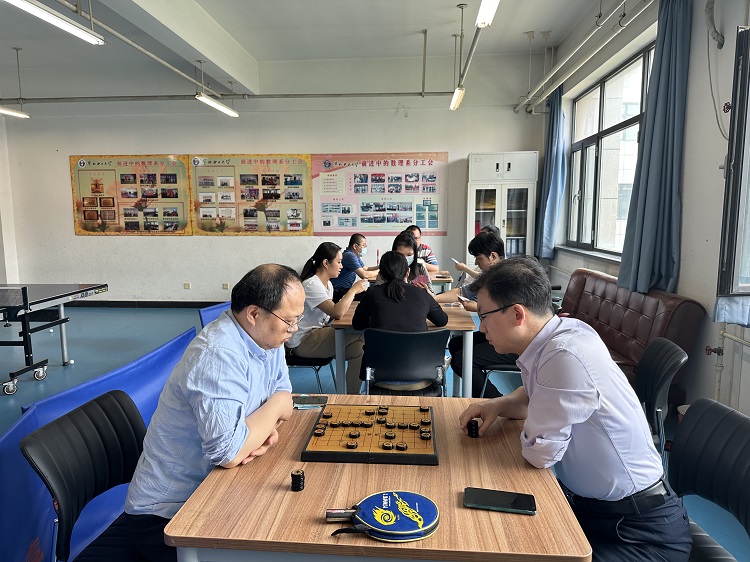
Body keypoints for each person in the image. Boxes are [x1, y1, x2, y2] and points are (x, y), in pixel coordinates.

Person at [458, 257, 692, 562]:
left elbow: (540, 454)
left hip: (638, 531)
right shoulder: (561, 333)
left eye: (484, 316)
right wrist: (498, 404)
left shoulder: (563, 355)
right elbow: (532, 398)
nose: (482, 327)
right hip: (592, 509)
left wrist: (525, 415)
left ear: (517, 314)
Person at [113, 264, 302, 562]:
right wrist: (271, 412)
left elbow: (284, 394)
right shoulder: (217, 354)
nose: (294, 330)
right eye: (289, 321)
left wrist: (258, 430)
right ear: (254, 314)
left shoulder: (267, 338)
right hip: (167, 518)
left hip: (216, 490)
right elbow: (229, 452)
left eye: (297, 320)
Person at [435, 231, 516, 398]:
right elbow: (461, 292)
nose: (477, 264)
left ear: (493, 256)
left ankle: (496, 400)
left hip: (512, 340)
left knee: (461, 360)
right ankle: (463, 395)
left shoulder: (508, 277)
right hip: (496, 332)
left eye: (479, 258)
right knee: (456, 344)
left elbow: (510, 311)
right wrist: (432, 299)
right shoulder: (489, 277)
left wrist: (478, 307)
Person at [353, 251, 448, 391]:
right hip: (422, 377)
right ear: (408, 272)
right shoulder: (421, 293)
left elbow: (357, 324)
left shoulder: (372, 293)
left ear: (381, 275)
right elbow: (442, 320)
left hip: (379, 377)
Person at [286, 242, 367, 394]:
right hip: (304, 341)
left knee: (358, 350)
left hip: (316, 336)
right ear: (325, 263)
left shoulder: (328, 284)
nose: (341, 266)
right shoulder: (312, 285)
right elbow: (337, 312)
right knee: (363, 333)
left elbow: (332, 313)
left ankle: (352, 395)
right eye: (339, 262)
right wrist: (352, 291)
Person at [331, 233, 378, 302]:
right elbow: (364, 275)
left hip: (344, 289)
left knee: (367, 295)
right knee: (368, 297)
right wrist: (380, 271)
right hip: (338, 291)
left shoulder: (355, 255)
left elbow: (366, 268)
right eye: (363, 245)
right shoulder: (349, 256)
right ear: (355, 246)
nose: (365, 247)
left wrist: (381, 266)